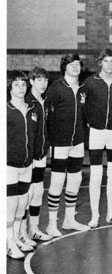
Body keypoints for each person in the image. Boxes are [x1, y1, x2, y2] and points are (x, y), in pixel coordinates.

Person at [83, 48, 112, 228]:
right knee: (95, 175)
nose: (109, 65)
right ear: (100, 63)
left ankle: (111, 213)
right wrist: (90, 121)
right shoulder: (90, 82)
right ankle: (95, 215)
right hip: (96, 132)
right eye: (106, 61)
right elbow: (84, 106)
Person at [46, 53, 90, 236]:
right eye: (71, 64)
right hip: (59, 142)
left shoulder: (82, 88)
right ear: (64, 67)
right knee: (57, 180)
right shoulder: (56, 88)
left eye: (78, 64)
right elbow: (46, 115)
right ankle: (51, 224)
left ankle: (69, 219)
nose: (75, 67)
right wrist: (48, 141)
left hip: (77, 141)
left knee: (75, 179)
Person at [7, 71, 39, 258]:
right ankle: (8, 242)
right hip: (10, 164)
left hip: (27, 163)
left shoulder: (31, 109)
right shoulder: (6, 109)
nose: (21, 88)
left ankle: (18, 235)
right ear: (10, 88)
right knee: (10, 204)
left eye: (23, 84)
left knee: (22, 202)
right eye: (17, 85)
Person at [23, 67, 53, 242]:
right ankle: (21, 233)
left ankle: (33, 228)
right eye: (39, 80)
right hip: (29, 158)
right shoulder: (27, 101)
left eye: (45, 80)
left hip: (41, 155)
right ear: (32, 81)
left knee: (37, 191)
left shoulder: (45, 101)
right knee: (26, 195)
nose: (43, 84)